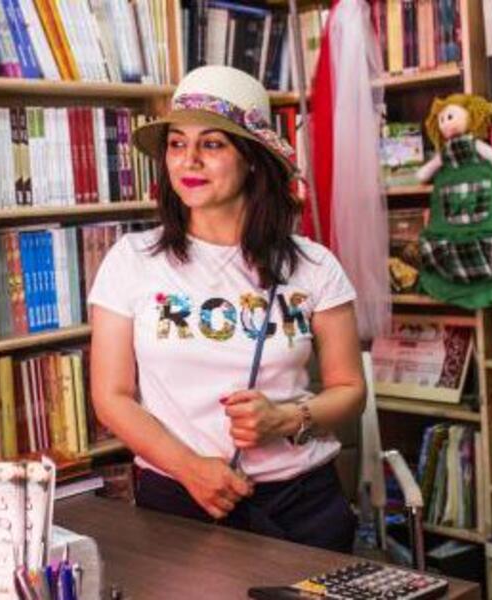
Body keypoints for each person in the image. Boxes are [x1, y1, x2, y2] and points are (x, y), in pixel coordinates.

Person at [87, 65, 366, 553]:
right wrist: (188, 468)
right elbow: (112, 395)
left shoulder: (314, 266)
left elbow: (350, 391)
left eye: (212, 144)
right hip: (177, 503)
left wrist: (283, 419)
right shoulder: (130, 261)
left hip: (302, 506)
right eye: (177, 143)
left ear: (252, 159)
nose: (188, 160)